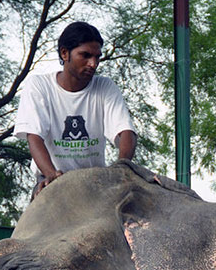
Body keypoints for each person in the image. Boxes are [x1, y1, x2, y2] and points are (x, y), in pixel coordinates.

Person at [14, 21, 136, 198]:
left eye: (97, 57)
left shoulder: (105, 87)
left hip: (95, 181)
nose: (93, 63)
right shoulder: (39, 85)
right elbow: (34, 137)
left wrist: (121, 167)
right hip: (52, 177)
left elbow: (125, 132)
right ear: (65, 53)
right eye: (85, 55)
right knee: (39, 217)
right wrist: (51, 175)